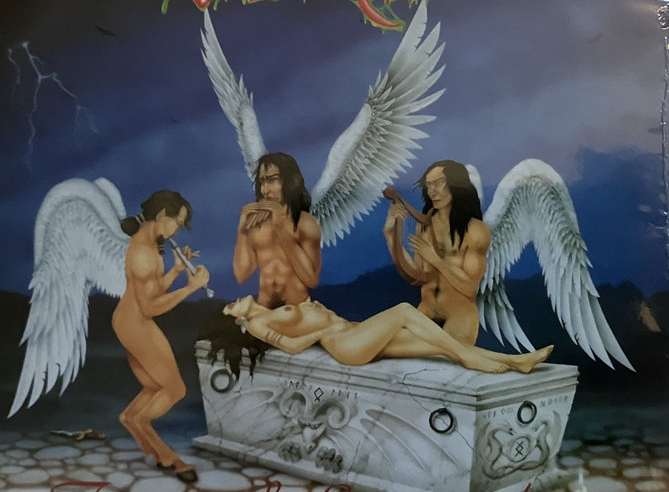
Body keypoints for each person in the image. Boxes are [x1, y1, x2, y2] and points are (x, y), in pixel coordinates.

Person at [113, 190, 210, 482]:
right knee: (175, 389)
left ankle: (133, 422)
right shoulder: (143, 254)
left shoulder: (149, 245)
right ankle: (163, 450)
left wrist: (178, 270)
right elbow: (151, 307)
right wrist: (191, 288)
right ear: (162, 216)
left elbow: (154, 291)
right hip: (135, 323)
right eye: (177, 223)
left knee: (155, 386)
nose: (177, 230)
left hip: (130, 320)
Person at [223, 296, 552, 375]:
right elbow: (292, 346)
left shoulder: (268, 308)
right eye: (231, 306)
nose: (236, 300)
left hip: (355, 333)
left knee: (436, 344)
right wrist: (322, 327)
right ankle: (469, 359)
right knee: (405, 311)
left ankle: (517, 361)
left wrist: (315, 309)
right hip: (346, 346)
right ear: (237, 318)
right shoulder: (256, 324)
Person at [383, 159, 489, 346]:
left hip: (459, 316)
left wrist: (436, 260)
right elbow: (417, 274)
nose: (433, 190)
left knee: (448, 355)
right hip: (425, 312)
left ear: (456, 184)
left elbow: (470, 288)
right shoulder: (424, 226)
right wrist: (389, 234)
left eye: (439, 183)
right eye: (429, 185)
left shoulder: (476, 230)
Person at [233, 152, 322, 308]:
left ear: (289, 181)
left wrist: (280, 228)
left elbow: (311, 280)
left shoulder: (305, 223)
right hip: (264, 309)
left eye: (272, 180)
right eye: (262, 181)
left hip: (297, 311)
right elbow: (241, 276)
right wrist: (242, 231)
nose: (265, 190)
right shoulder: (256, 223)